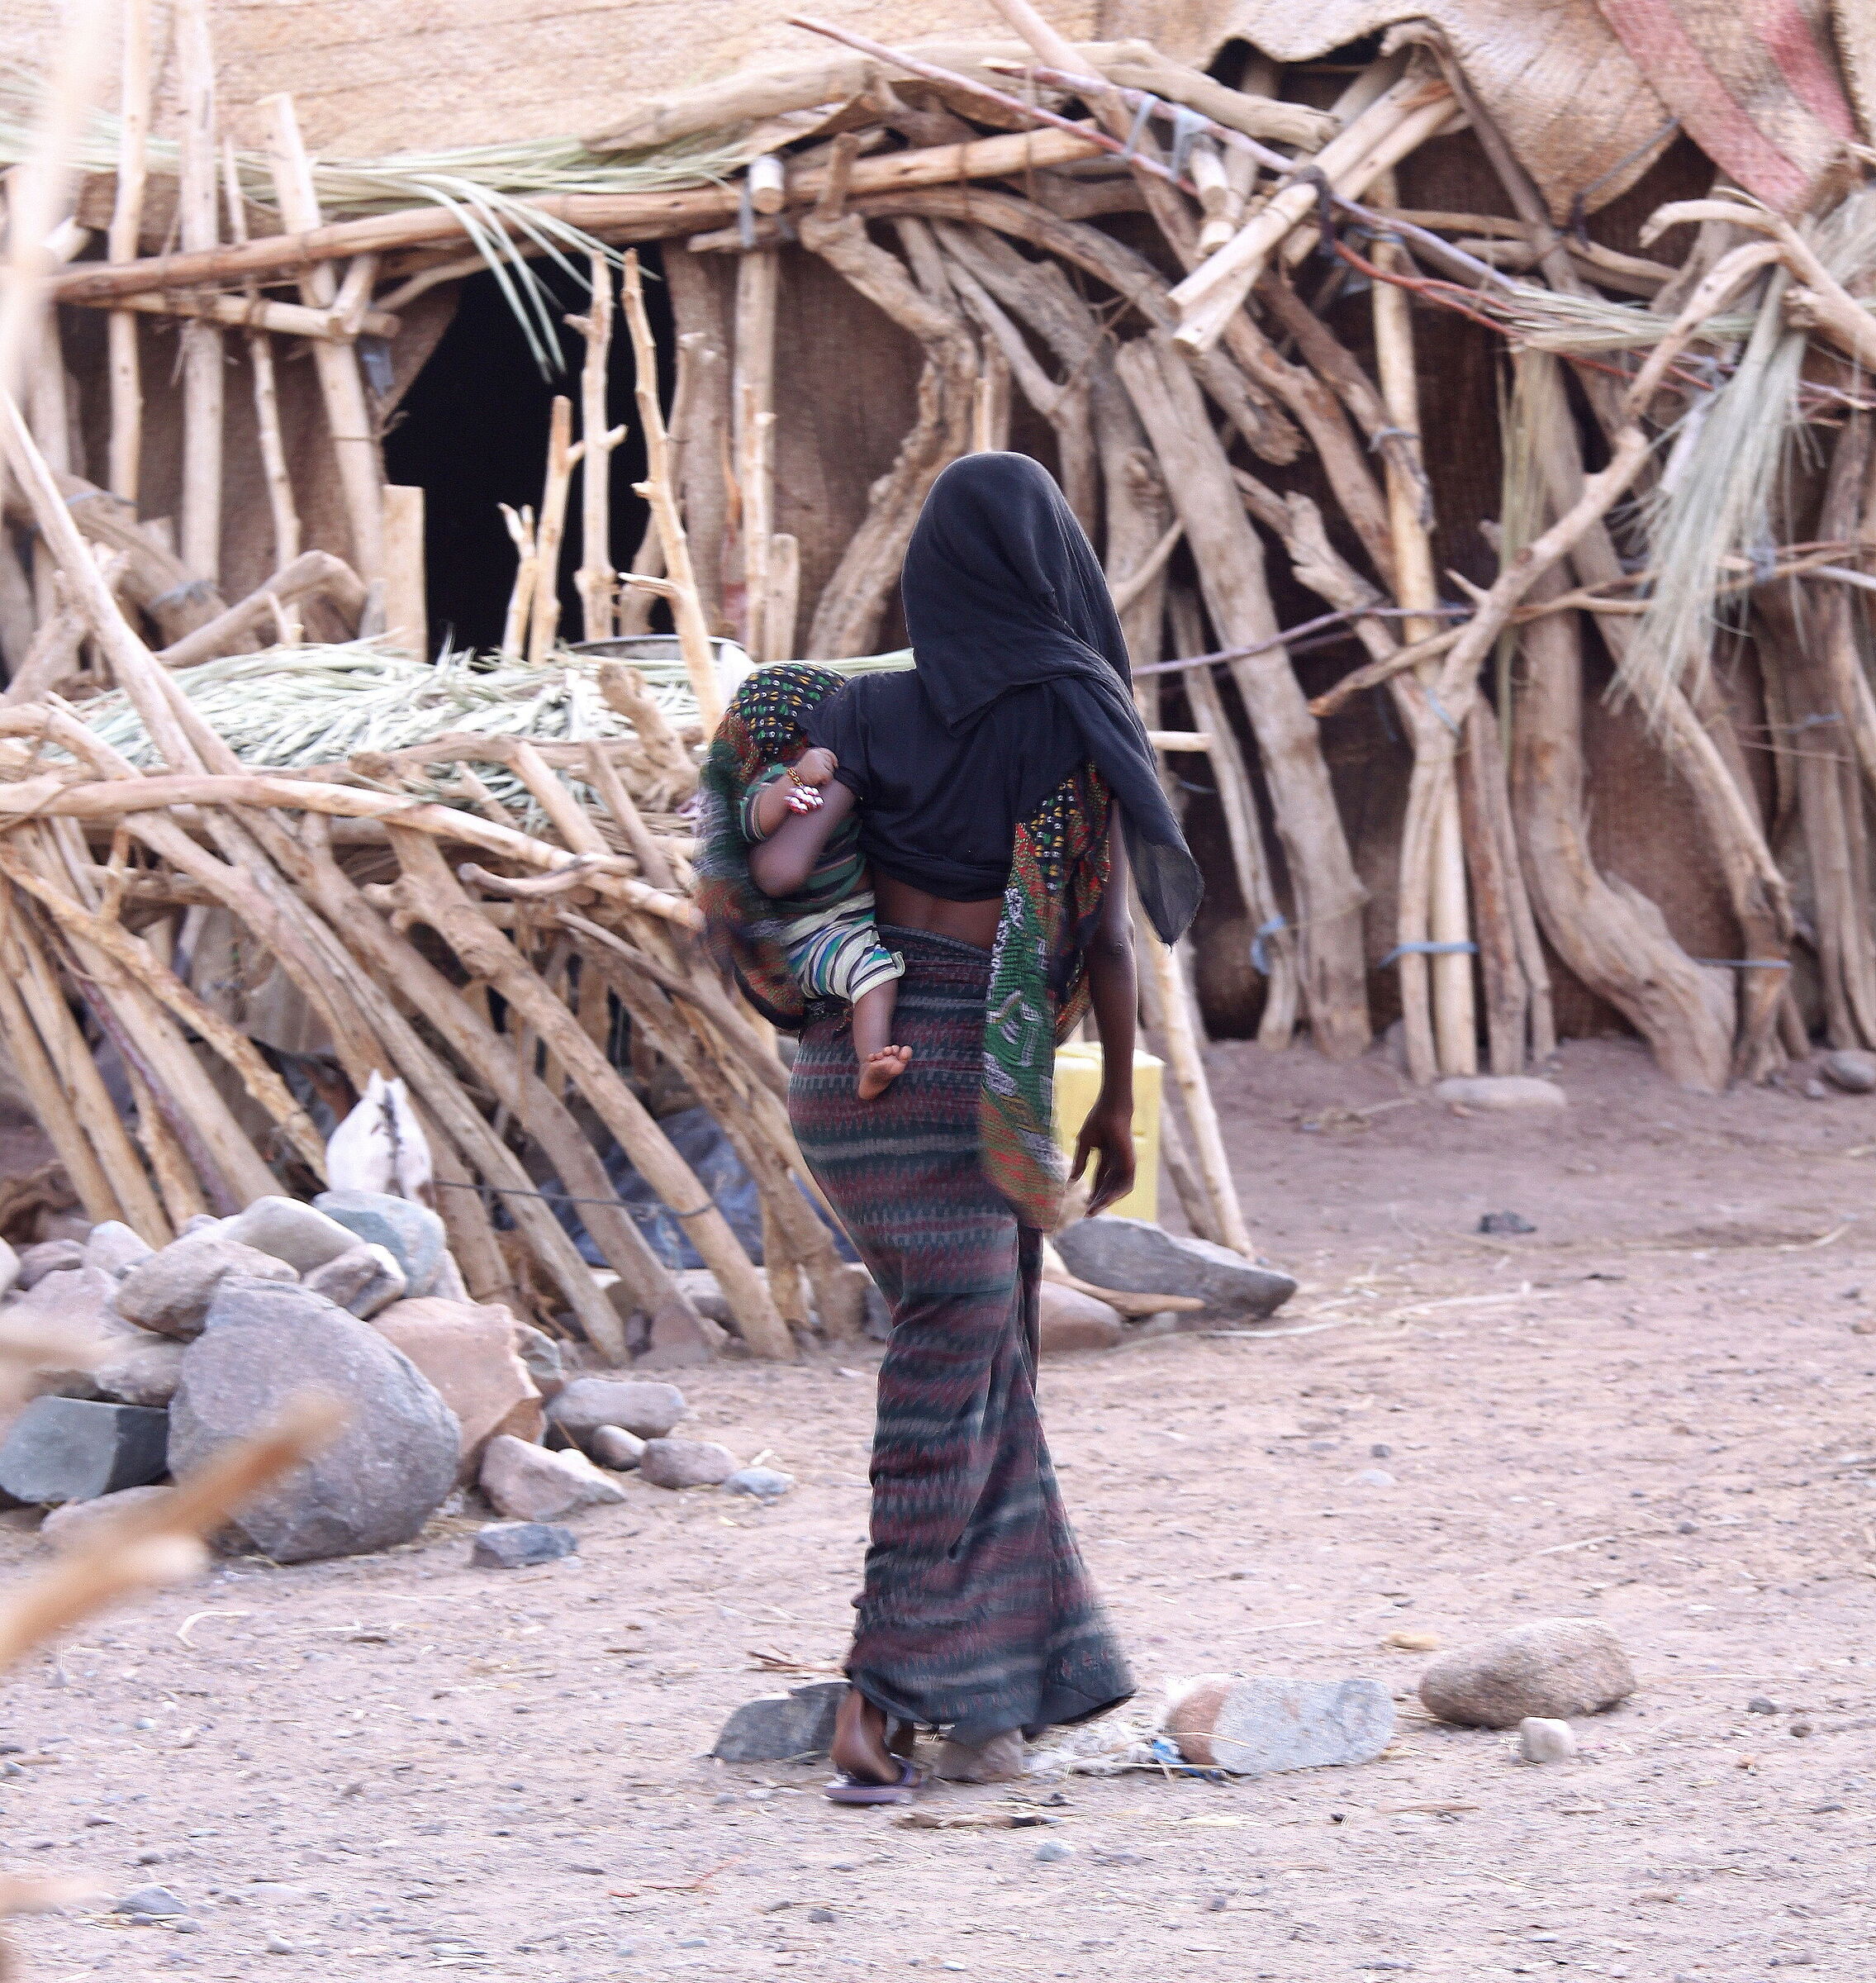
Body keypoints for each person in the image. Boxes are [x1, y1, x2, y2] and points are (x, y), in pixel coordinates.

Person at [699, 452, 1201, 1800]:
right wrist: (1106, 1092)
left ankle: (1008, 1688)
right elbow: (1100, 931)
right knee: (947, 1373)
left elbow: (781, 869)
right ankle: (881, 1695)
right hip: (975, 1060)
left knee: (985, 1367)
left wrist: (797, 816)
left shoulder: (853, 712)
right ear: (1053, 570)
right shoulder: (1067, 716)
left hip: (845, 1069)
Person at [720, 668, 911, 1098]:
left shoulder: (855, 778)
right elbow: (755, 825)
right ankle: (870, 1063)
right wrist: (796, 779)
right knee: (874, 972)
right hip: (811, 933)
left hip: (851, 917)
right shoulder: (769, 781)